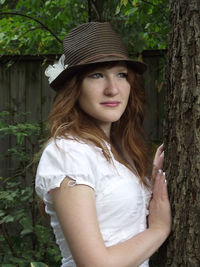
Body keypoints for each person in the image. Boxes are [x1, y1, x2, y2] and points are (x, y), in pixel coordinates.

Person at [35, 22, 171, 267]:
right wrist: (159, 229)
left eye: (121, 75)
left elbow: (118, 217)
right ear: (74, 88)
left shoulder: (119, 149)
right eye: (96, 75)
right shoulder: (67, 153)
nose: (113, 89)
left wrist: (151, 179)